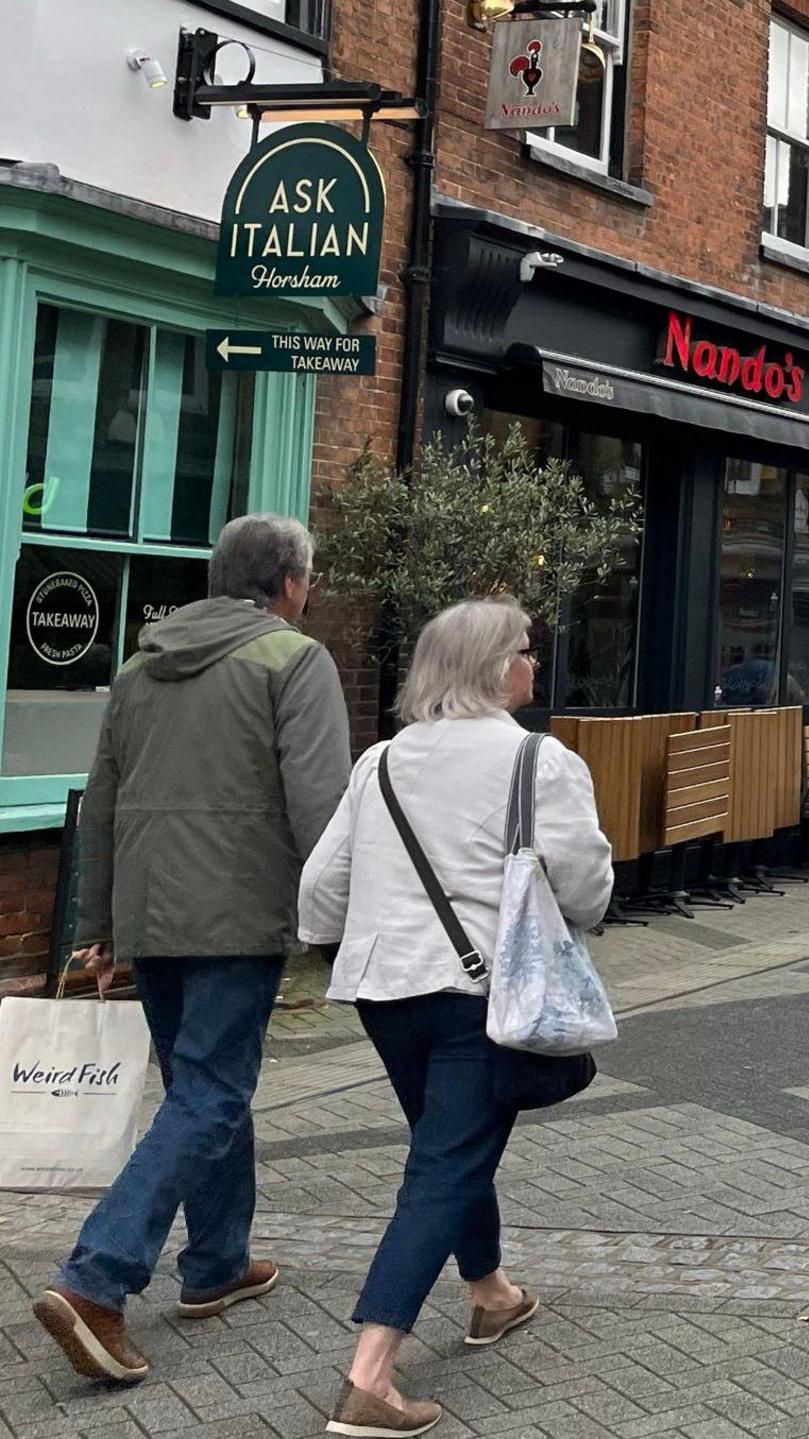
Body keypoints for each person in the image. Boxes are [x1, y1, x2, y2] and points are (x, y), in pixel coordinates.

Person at [33, 516, 349, 1386]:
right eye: (307, 581)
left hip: (148, 909)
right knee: (213, 1091)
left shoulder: (138, 667)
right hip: (238, 912)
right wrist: (345, 921)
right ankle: (97, 1278)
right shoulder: (295, 660)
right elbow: (322, 804)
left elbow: (100, 800)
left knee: (202, 1085)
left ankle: (216, 1261)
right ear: (289, 582)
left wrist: (94, 924)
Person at [298, 599, 616, 1438]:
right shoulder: (538, 761)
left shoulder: (382, 762)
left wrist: (362, 940)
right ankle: (370, 1375)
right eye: (523, 650)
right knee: (442, 1167)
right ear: (489, 667)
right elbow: (587, 891)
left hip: (381, 991)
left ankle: (490, 1293)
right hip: (483, 998)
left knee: (447, 1144)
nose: (533, 663)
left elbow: (318, 893)